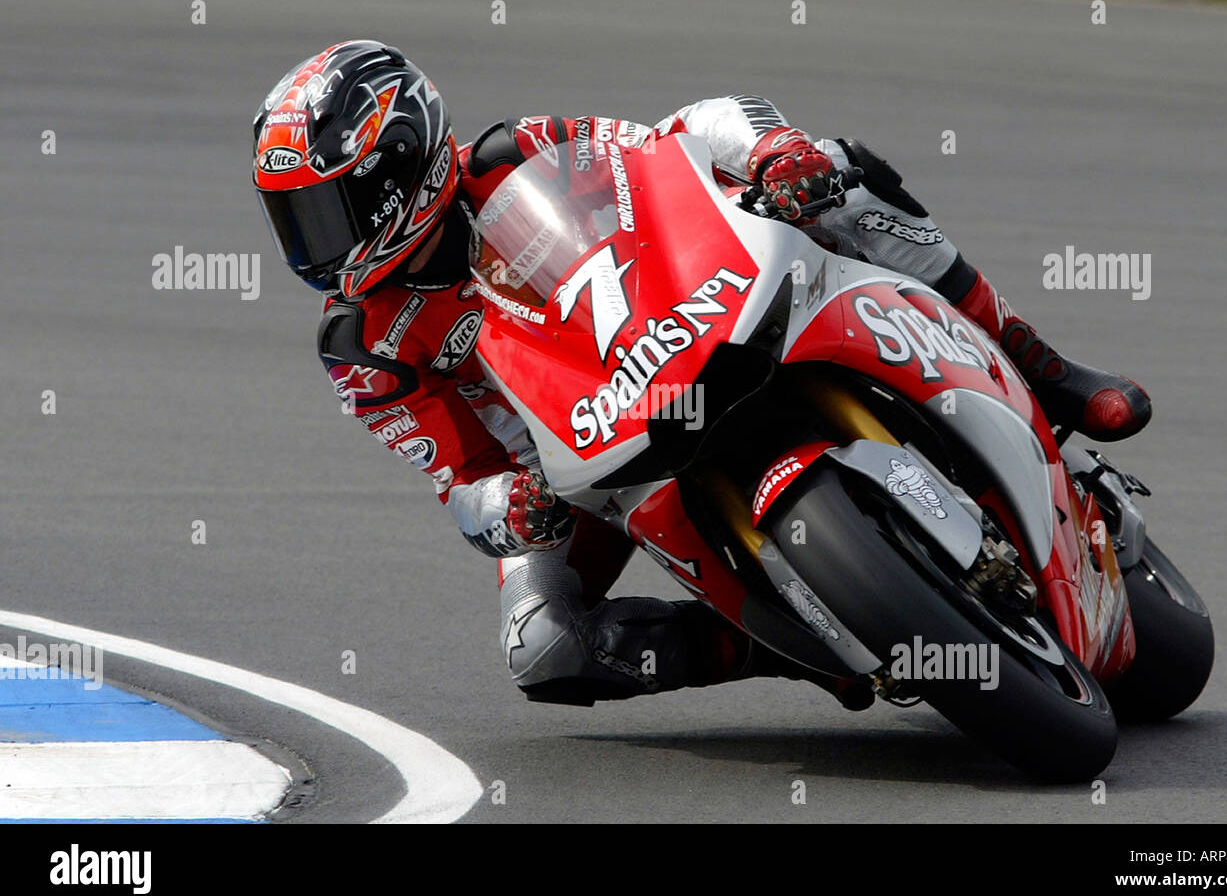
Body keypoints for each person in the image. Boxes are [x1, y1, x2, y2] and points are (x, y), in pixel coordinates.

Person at [253, 40, 1151, 709]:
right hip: (573, 470)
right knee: (541, 650)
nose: (315, 244)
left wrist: (770, 155)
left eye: (330, 209)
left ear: (401, 165)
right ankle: (797, 647)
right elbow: (458, 479)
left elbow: (672, 143)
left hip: (692, 323)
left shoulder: (518, 153)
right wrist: (507, 511)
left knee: (842, 175)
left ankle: (1041, 362)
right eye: (295, 218)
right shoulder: (360, 344)